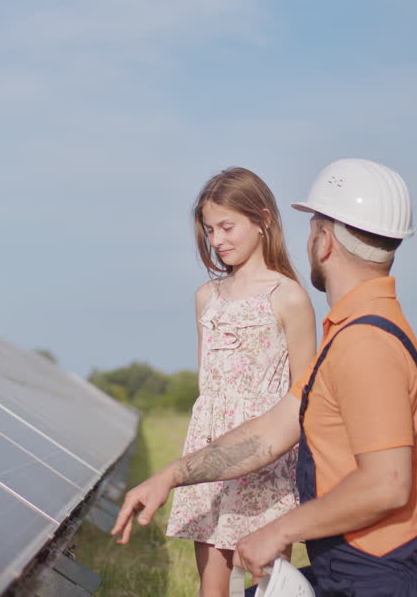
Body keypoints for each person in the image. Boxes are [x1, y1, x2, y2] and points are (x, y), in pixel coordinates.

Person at [114, 159, 417, 597]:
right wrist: (170, 475)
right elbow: (271, 432)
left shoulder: (365, 346)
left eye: (312, 228)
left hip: (387, 576)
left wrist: (278, 530)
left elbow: (387, 483)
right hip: (367, 567)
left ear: (324, 241)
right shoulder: (353, 332)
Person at [166, 167, 318, 597]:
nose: (217, 240)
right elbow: (209, 387)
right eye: (210, 229)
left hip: (266, 456)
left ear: (263, 220)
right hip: (210, 448)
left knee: (269, 581)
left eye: (227, 227)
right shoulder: (205, 297)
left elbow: (303, 394)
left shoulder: (287, 296)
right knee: (212, 583)